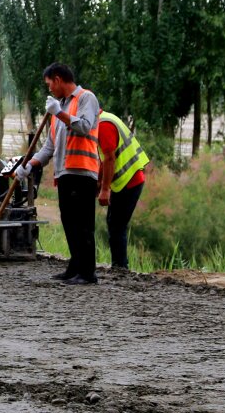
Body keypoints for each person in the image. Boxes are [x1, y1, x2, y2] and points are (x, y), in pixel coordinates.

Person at [14, 62, 101, 285]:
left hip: (83, 172)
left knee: (82, 224)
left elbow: (84, 126)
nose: (49, 89)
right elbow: (49, 147)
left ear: (58, 79)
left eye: (49, 84)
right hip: (65, 172)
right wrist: (30, 165)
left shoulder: (85, 98)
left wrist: (59, 113)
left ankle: (87, 272)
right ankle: (75, 267)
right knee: (69, 222)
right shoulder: (57, 109)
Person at [97, 111, 150, 270]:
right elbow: (105, 158)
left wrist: (105, 189)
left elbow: (110, 158)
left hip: (128, 181)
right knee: (114, 223)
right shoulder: (106, 118)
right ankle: (119, 266)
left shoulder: (103, 125)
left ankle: (120, 268)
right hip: (130, 178)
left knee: (116, 225)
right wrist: (99, 182)